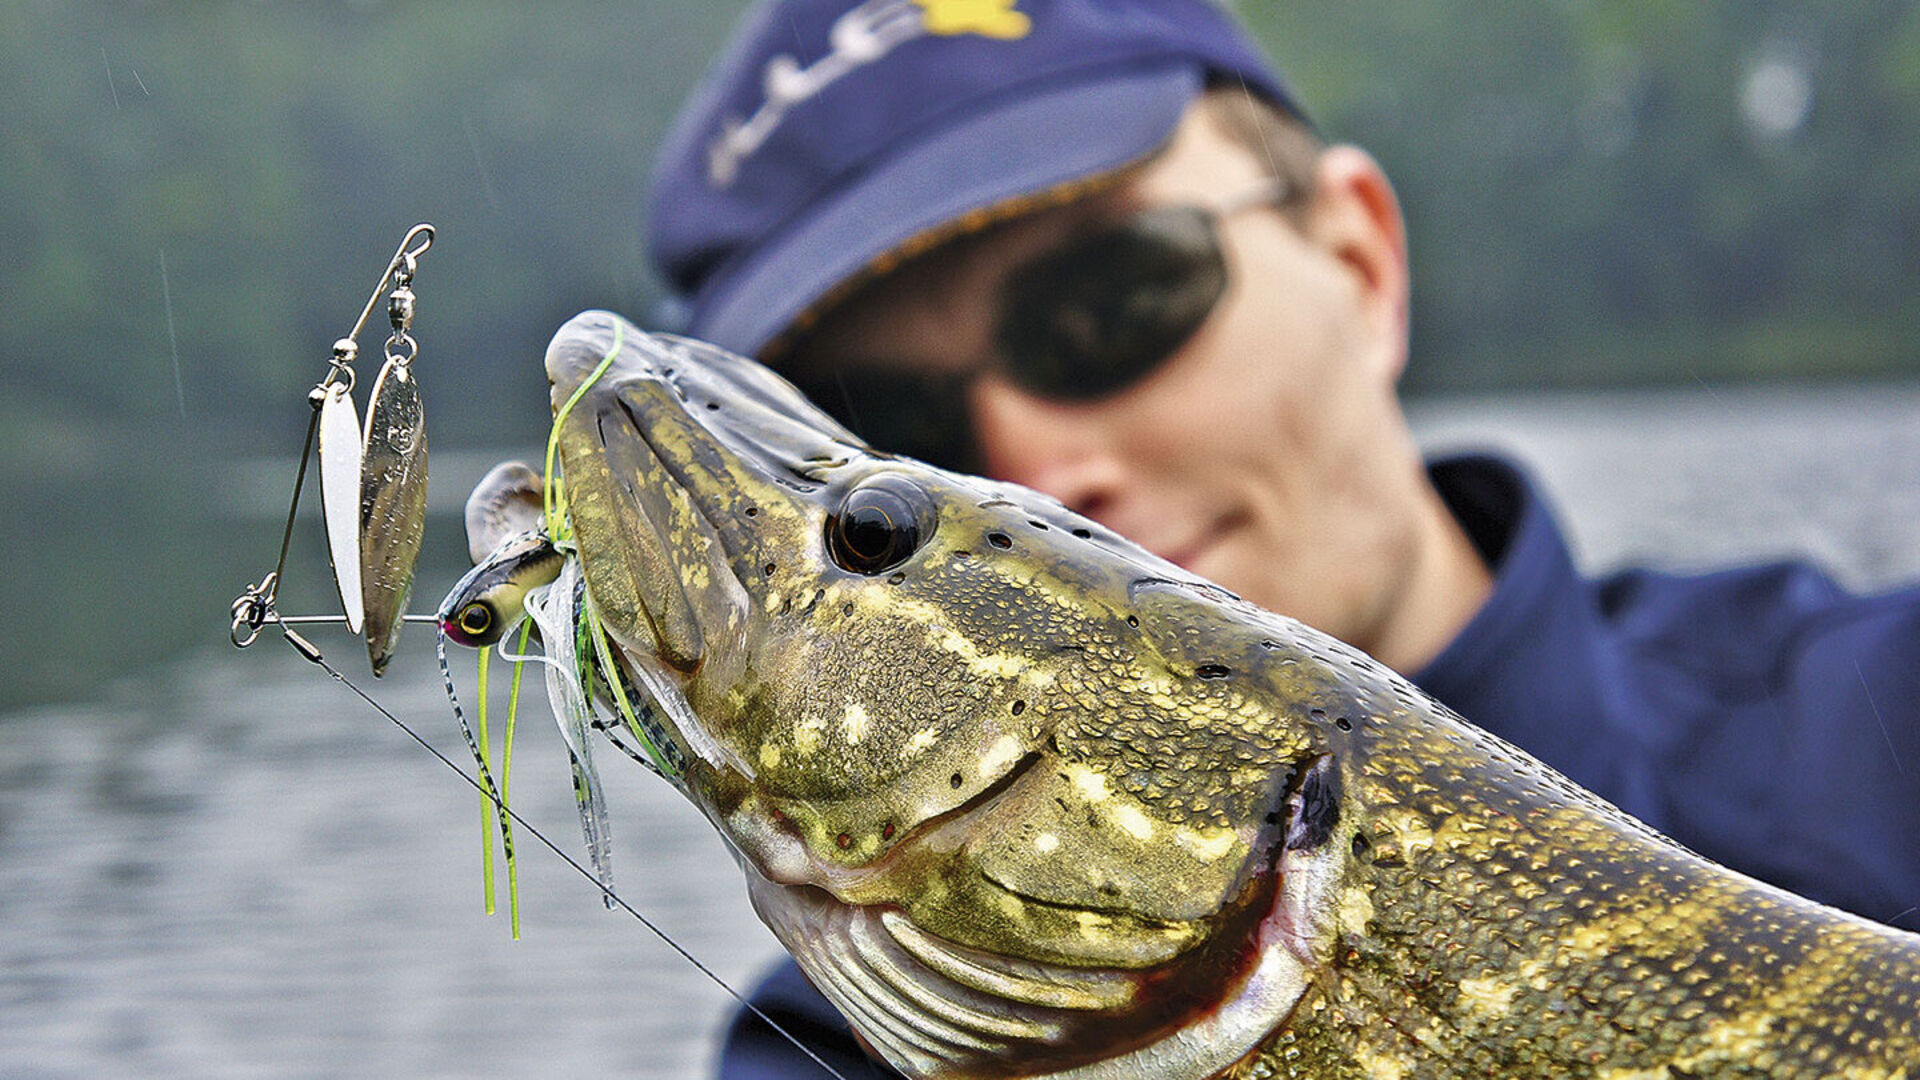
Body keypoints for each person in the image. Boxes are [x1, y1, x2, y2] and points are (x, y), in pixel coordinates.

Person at [643, 2, 1920, 1075]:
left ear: (1360, 260)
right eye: (893, 427)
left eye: (1109, 307)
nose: (1035, 470)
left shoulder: (1891, 726)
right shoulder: (821, 1053)